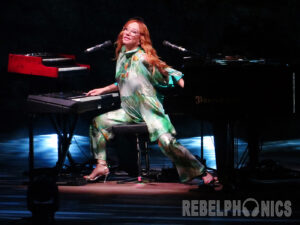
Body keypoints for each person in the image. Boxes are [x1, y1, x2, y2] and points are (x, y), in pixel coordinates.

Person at [83, 18, 222, 190]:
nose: (127, 33)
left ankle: (204, 173)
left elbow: (170, 72)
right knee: (98, 123)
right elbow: (125, 81)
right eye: (126, 29)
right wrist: (103, 89)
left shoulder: (143, 58)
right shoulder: (121, 56)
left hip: (150, 112)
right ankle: (102, 165)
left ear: (141, 39)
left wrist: (192, 91)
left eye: (133, 31)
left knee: (167, 142)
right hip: (129, 111)